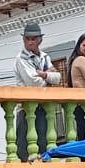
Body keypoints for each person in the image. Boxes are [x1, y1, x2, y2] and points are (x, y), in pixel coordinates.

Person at [13, 21, 59, 159]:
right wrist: (49, 77)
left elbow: (58, 78)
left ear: (40, 40)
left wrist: (43, 74)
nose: (30, 42)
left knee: (43, 146)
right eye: (27, 39)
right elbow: (33, 82)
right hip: (26, 109)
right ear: (23, 39)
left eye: (33, 39)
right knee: (25, 149)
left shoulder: (45, 57)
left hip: (43, 107)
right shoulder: (21, 59)